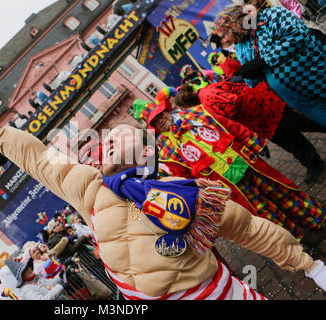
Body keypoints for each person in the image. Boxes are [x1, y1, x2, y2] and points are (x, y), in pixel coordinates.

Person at [0, 97, 326, 300]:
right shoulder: (90, 189)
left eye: (120, 134)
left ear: (148, 148)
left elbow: (249, 229)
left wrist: (310, 267)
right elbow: (41, 161)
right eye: (104, 141)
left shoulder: (182, 187)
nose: (107, 139)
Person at [132, 96, 326, 247]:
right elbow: (184, 177)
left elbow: (230, 126)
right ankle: (297, 236)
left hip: (246, 163)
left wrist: (253, 142)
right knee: (263, 210)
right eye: (156, 121)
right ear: (154, 127)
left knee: (283, 189)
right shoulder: (165, 150)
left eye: (160, 114)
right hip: (228, 185)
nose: (161, 120)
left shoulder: (197, 113)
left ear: (165, 110)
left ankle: (316, 217)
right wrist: (207, 195)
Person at [174, 82, 326, 183]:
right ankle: (314, 163)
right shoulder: (203, 98)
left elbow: (232, 103)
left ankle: (314, 161)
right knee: (290, 141)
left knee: (307, 123)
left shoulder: (206, 97)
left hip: (264, 109)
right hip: (260, 118)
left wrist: (224, 121)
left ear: (187, 105)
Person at [212, 5, 325, 127]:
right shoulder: (241, 46)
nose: (224, 41)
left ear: (234, 25)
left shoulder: (271, 16)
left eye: (223, 35)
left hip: (316, 75)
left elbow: (297, 34)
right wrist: (248, 73)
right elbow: (252, 81)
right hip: (301, 100)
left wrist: (265, 60)